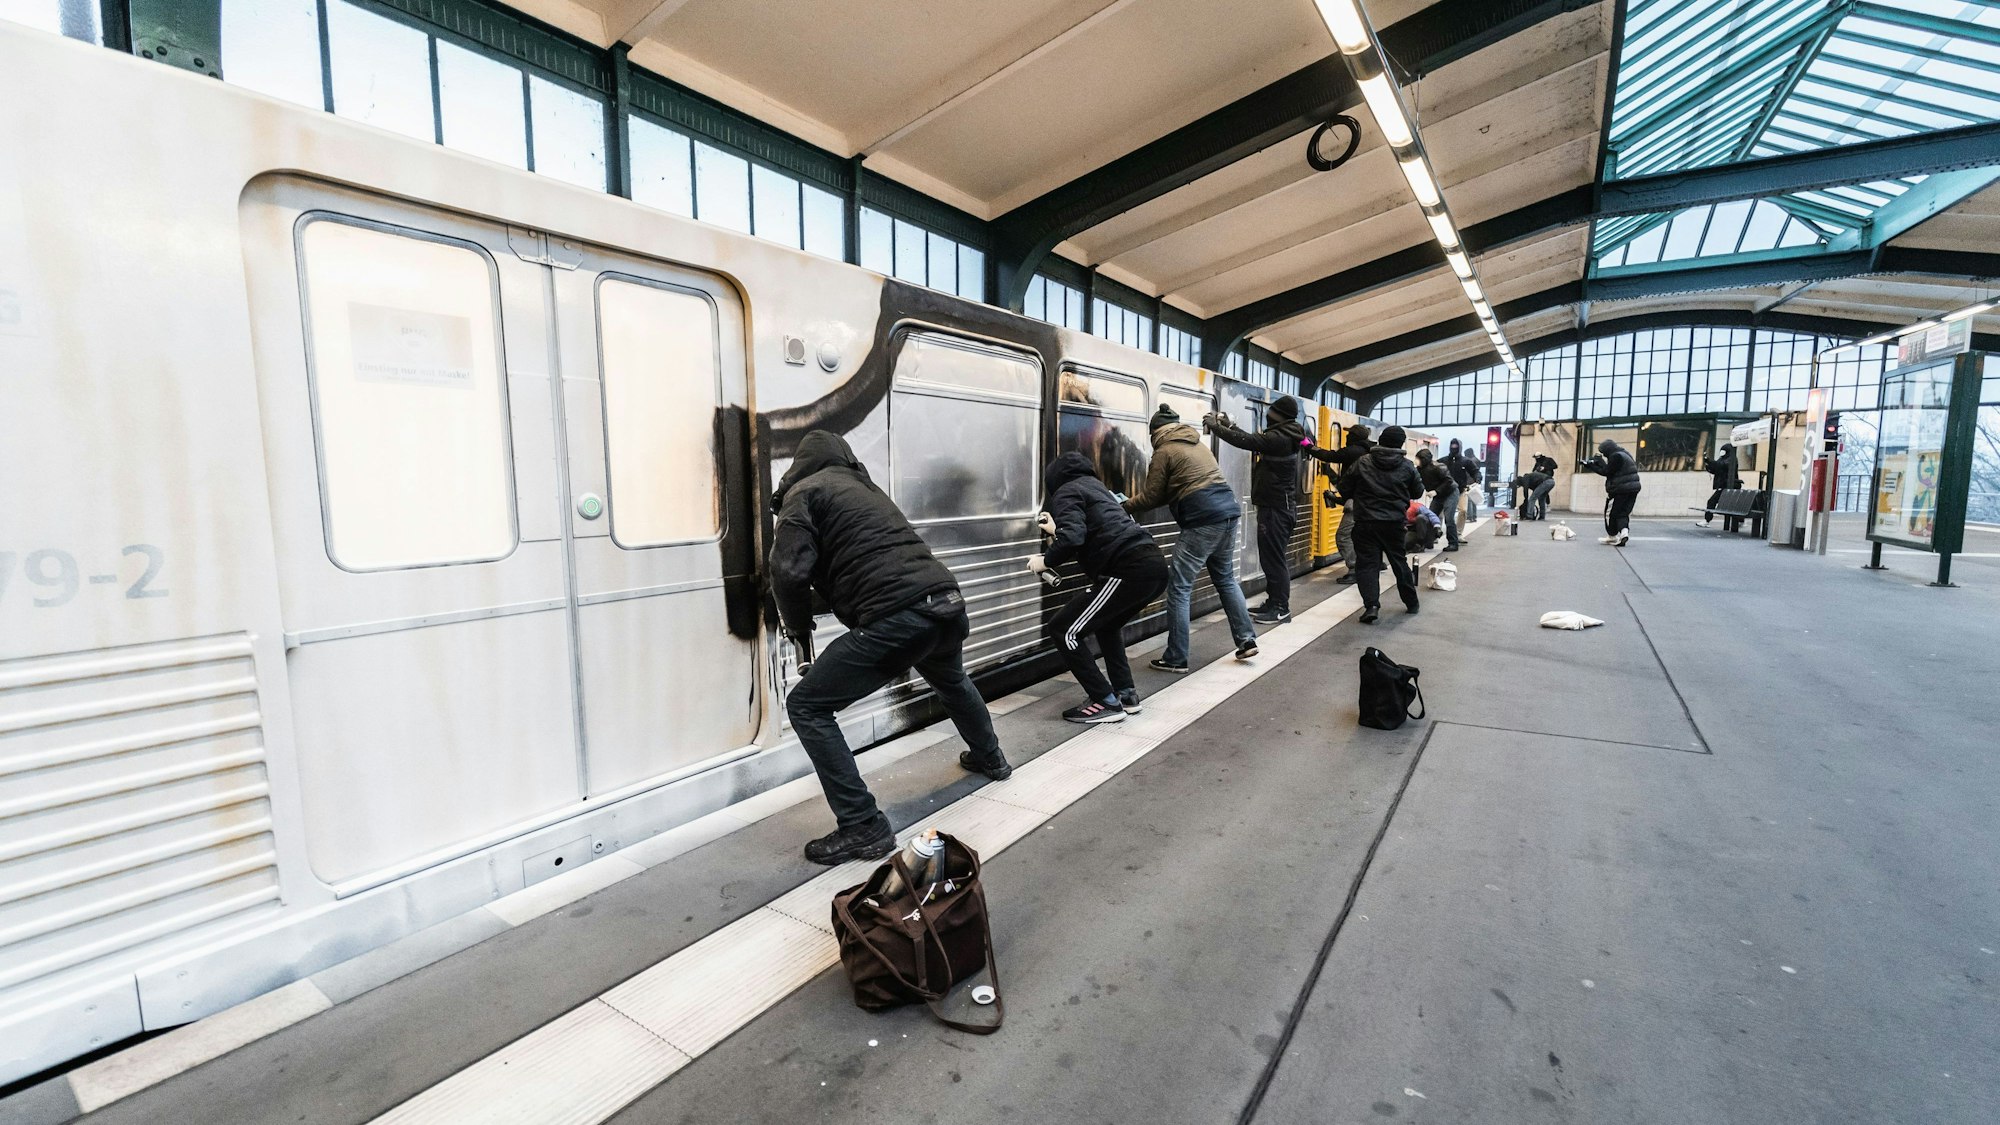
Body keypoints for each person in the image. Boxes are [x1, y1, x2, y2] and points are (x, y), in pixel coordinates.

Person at [771, 431, 1012, 865]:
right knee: (953, 680)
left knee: (807, 706)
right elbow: (865, 563)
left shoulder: (803, 493)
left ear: (799, 463)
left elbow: (788, 571)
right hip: (946, 602)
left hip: (900, 617)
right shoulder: (865, 490)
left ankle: (863, 827)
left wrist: (794, 624)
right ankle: (991, 758)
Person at [1031, 452, 1170, 724]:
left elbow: (1073, 538)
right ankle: (1125, 694)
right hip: (1152, 565)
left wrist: (1044, 560)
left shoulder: (1065, 492)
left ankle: (1104, 701)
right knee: (1107, 626)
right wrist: (1055, 530)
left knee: (1063, 629)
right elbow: (1090, 529)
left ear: (1053, 479)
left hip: (1127, 569)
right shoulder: (1097, 489)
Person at [1121, 405, 1259, 674]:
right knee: (1226, 579)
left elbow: (1152, 496)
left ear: (1156, 432)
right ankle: (1246, 639)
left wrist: (1124, 506)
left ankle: (1176, 657)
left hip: (1203, 519)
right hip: (1228, 513)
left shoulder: (1164, 450)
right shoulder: (1197, 445)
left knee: (1179, 587)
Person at [1206, 396, 1310, 624]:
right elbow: (1255, 439)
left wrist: (1217, 428)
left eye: (1272, 411)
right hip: (1277, 506)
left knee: (1274, 559)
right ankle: (1273, 602)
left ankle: (1281, 608)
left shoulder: (1281, 437)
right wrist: (1229, 426)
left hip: (1277, 508)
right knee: (1271, 557)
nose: (1268, 414)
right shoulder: (1287, 433)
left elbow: (1249, 441)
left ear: (1279, 414)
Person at [1339, 425, 1424, 624]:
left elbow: (1344, 488)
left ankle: (1372, 606)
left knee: (1367, 564)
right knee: (1398, 562)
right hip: (1393, 523)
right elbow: (1417, 492)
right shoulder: (1407, 466)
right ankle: (1411, 603)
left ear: (1382, 440)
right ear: (1400, 444)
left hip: (1365, 522)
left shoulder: (1362, 462)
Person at [1308, 423, 1373, 585]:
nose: (1346, 437)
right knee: (1360, 537)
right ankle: (1372, 565)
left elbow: (1330, 456)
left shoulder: (1354, 451)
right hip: (1366, 502)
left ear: (1354, 437)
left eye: (1349, 434)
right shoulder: (1368, 450)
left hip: (1357, 503)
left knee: (1343, 536)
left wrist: (1308, 446)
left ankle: (1355, 569)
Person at [1581, 438, 1642, 546]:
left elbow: (1606, 472)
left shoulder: (1615, 456)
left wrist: (1591, 466)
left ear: (1607, 450)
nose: (1604, 455)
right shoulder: (1625, 454)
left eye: (1604, 452)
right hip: (1634, 488)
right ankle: (1624, 533)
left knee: (1610, 513)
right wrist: (1599, 463)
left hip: (1620, 489)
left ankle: (1612, 536)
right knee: (1623, 512)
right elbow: (1612, 469)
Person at [1415, 448, 1462, 552]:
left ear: (1424, 459)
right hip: (1438, 495)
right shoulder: (1419, 469)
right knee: (1430, 517)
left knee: (1449, 518)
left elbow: (1448, 480)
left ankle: (1453, 543)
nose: (1416, 461)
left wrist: (1436, 491)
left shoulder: (1438, 467)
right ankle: (1428, 543)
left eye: (1418, 459)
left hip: (1450, 493)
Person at [1700, 442, 1741, 527]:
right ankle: (1707, 520)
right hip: (1723, 486)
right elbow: (1716, 468)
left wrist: (1710, 461)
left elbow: (1721, 466)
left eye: (1724, 450)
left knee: (1712, 501)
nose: (1722, 452)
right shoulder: (1722, 459)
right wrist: (1708, 465)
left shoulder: (1731, 459)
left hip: (1728, 486)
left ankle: (1707, 520)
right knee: (1713, 502)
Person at [1443, 438, 1483, 523]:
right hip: (1447, 490)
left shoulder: (1466, 461)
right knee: (1448, 513)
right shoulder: (1444, 461)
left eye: (1455, 446)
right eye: (1452, 446)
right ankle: (1456, 531)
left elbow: (1475, 471)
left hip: (1462, 489)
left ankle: (1458, 532)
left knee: (1463, 511)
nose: (1454, 448)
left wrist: (1478, 478)